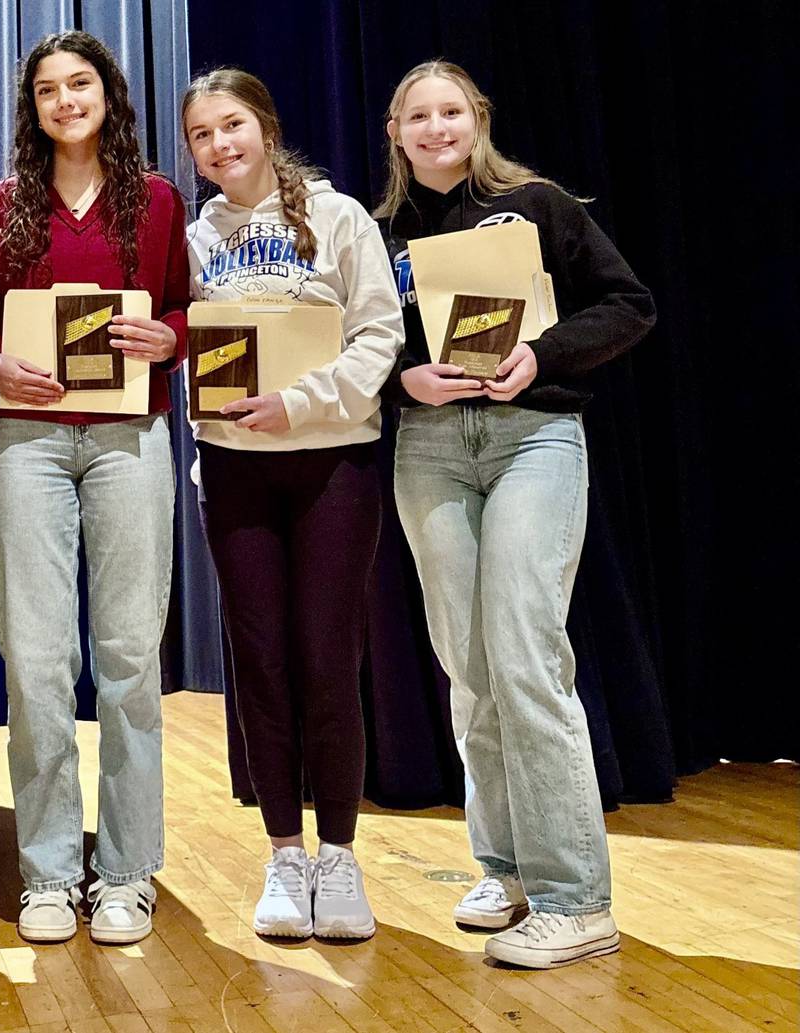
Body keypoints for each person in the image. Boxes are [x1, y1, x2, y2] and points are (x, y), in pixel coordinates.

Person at [376, 60, 655, 968]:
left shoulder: (539, 205)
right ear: (395, 130)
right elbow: (362, 347)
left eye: (451, 110)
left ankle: (579, 898)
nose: (436, 127)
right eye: (418, 115)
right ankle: (503, 868)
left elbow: (629, 304)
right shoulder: (379, 233)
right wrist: (399, 379)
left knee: (527, 650)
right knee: (469, 663)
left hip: (533, 439)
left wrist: (541, 353)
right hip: (429, 448)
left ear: (478, 118)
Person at [181, 69, 405, 940]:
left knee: (327, 658)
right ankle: (283, 854)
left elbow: (378, 334)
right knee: (261, 663)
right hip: (234, 468)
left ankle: (340, 857)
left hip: (333, 465)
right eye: (202, 134)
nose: (220, 145)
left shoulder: (340, 215)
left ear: (266, 127)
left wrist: (300, 404)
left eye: (231, 124)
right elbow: (196, 350)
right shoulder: (198, 237)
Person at [0, 30, 189, 946]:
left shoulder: (158, 200)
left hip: (130, 436)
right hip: (27, 442)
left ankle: (129, 870)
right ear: (31, 107)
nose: (66, 100)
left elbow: (185, 307)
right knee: (35, 660)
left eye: (81, 84)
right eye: (48, 89)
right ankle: (51, 870)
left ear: (109, 95)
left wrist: (169, 339)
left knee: (131, 658)